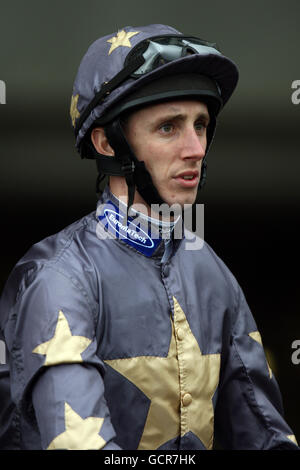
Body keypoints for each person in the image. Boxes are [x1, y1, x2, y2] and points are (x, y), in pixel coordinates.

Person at [0, 23, 298, 451]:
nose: (196, 148)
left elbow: (267, 437)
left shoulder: (212, 272)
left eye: (201, 125)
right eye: (168, 128)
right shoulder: (58, 279)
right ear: (108, 144)